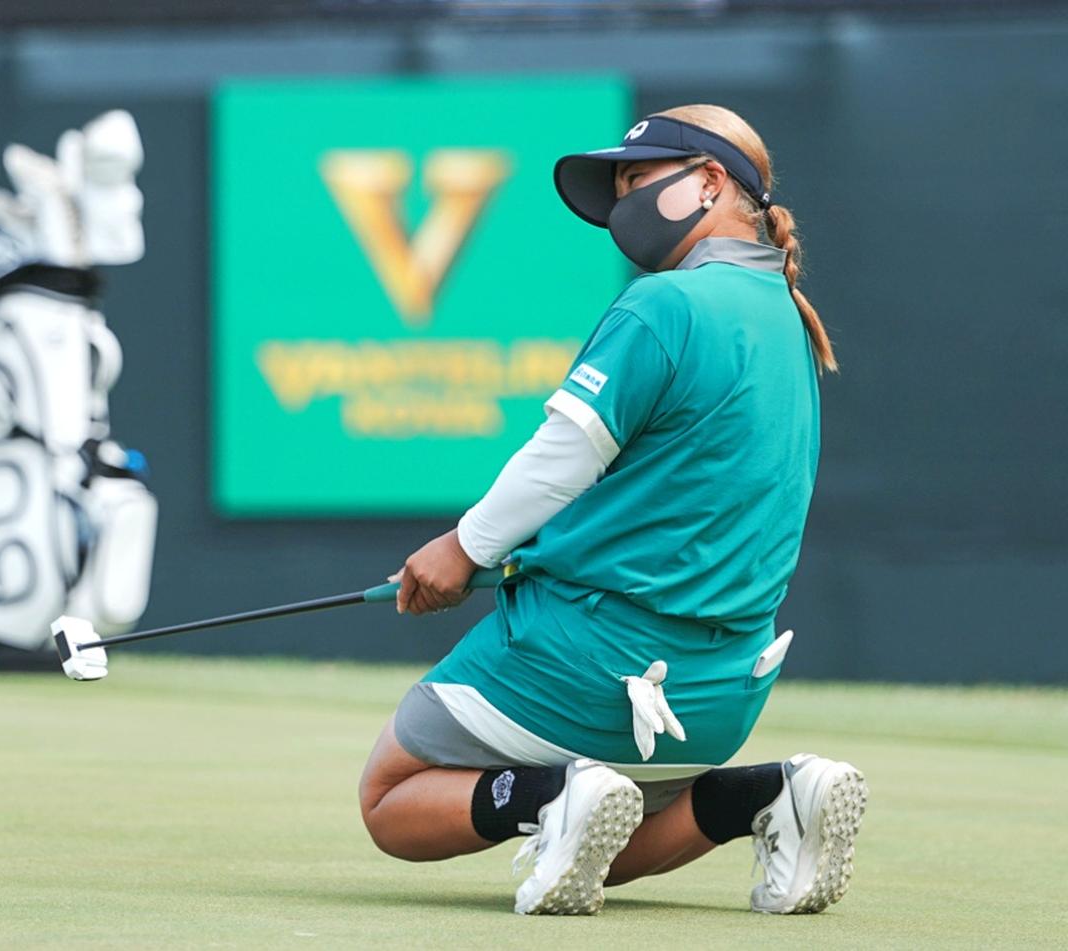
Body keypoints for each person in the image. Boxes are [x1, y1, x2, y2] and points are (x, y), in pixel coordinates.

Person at [358, 104, 868, 917]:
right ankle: (777, 792)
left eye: (639, 178)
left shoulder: (663, 305)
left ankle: (555, 791)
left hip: (588, 669)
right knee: (614, 850)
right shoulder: (785, 314)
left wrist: (461, 547)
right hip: (721, 693)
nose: (624, 201)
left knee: (389, 797)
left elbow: (558, 462)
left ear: (710, 182)